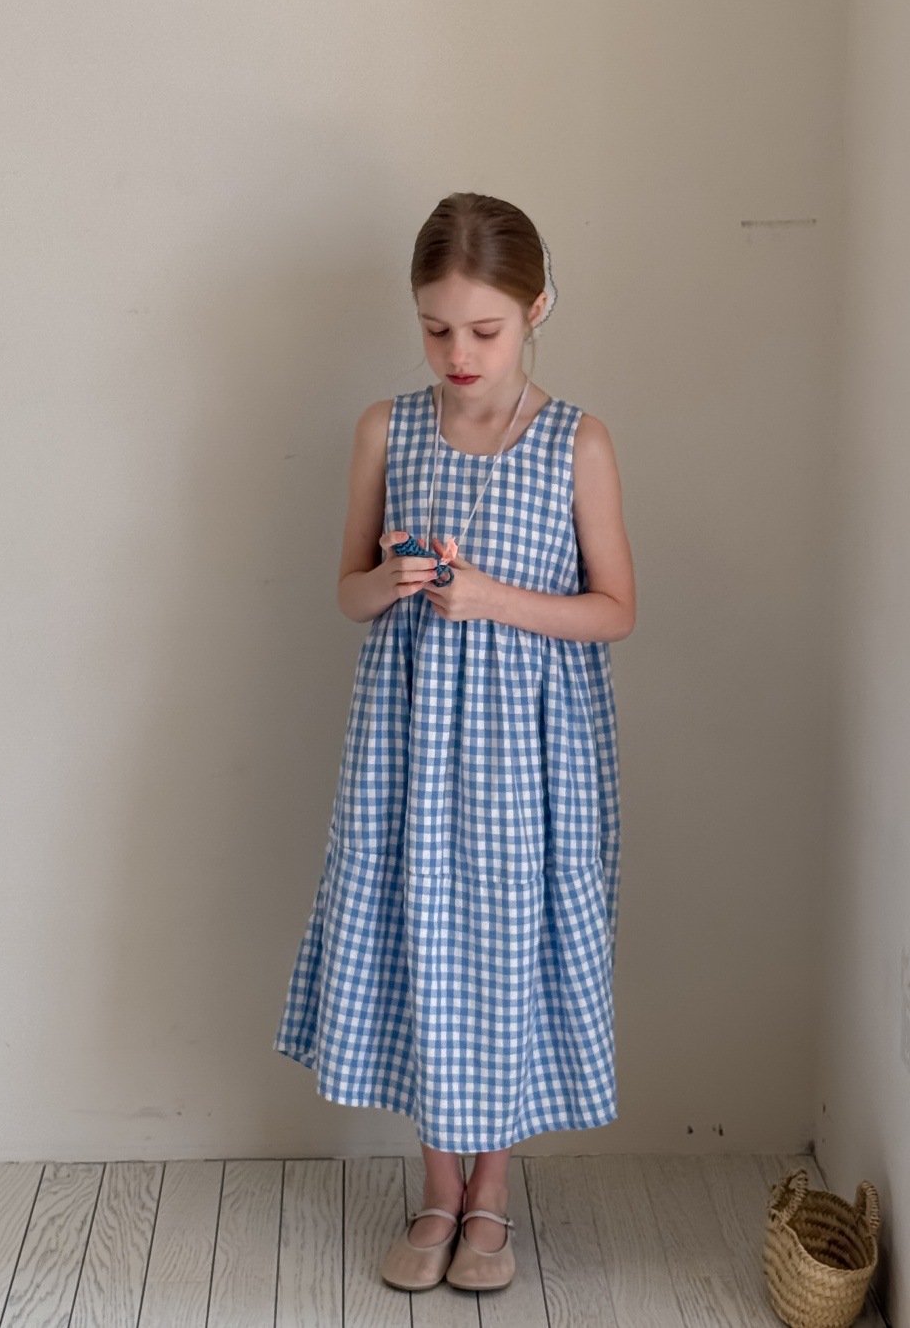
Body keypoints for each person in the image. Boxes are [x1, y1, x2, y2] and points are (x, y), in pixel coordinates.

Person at [272, 192, 636, 1293]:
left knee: (507, 947)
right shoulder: (386, 428)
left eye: (484, 329)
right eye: (436, 329)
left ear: (536, 308)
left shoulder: (576, 441)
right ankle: (436, 1189)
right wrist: (392, 579)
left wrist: (491, 599)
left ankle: (492, 1195)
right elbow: (346, 591)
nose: (459, 353)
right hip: (409, 747)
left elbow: (615, 608)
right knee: (419, 939)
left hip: (531, 752)